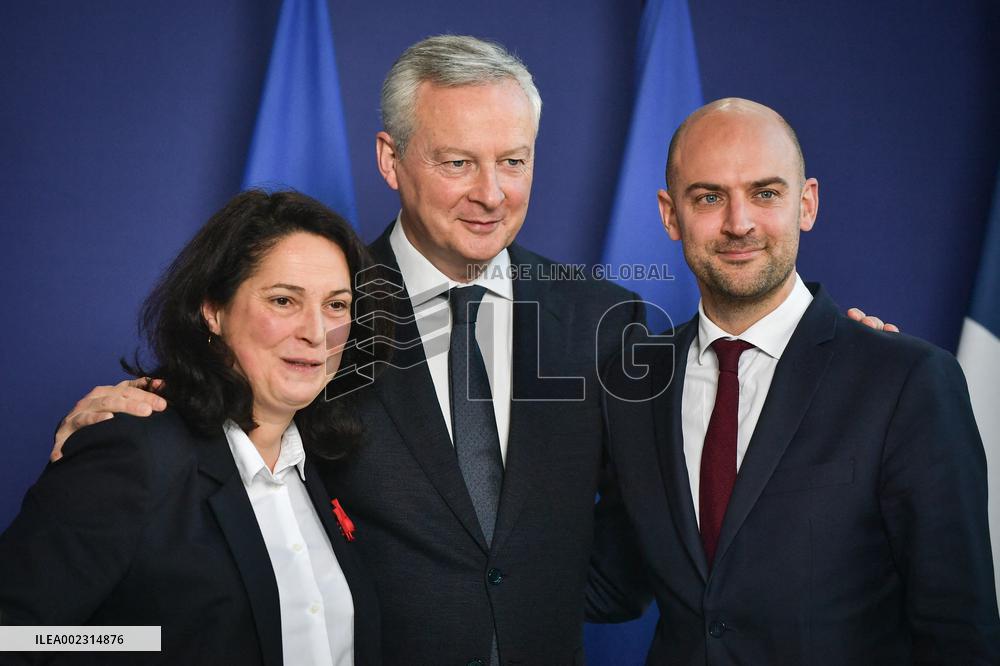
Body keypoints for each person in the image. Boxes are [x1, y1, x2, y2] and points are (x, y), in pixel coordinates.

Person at [47, 39, 895, 665]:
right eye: (458, 162)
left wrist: (825, 356)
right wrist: (135, 412)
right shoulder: (327, 313)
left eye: (513, 161)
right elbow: (222, 442)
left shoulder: (605, 319)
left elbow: (689, 465)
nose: (490, 193)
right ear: (392, 159)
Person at [592, 98, 1000, 663]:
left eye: (765, 193)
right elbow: (612, 582)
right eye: (709, 197)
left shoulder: (905, 381)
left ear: (806, 203)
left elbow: (958, 630)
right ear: (669, 215)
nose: (739, 223)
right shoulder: (632, 383)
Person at [0, 190, 384, 665]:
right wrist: (145, 643)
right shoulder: (134, 452)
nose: (315, 331)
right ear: (213, 310)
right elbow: (13, 636)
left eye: (337, 306)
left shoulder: (324, 463)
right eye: (284, 300)